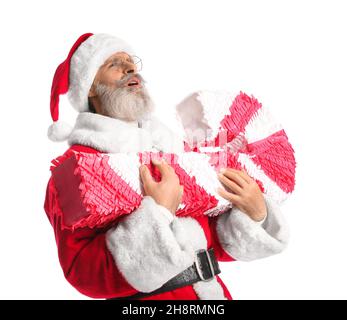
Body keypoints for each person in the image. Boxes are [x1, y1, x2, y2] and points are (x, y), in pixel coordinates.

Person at [44, 33, 290, 300]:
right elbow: (84, 273)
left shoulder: (172, 155)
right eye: (115, 63)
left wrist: (255, 214)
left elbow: (214, 244)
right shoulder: (76, 170)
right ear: (89, 86)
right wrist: (159, 213)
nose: (130, 68)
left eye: (131, 62)